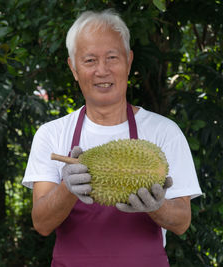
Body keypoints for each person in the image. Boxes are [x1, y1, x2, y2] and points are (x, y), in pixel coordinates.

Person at [22, 9, 202, 267]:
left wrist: (156, 206)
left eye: (112, 58)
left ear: (128, 62)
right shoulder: (51, 134)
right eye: (90, 60)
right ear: (73, 68)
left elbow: (182, 222)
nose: (102, 71)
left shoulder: (164, 132)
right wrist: (67, 188)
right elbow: (41, 223)